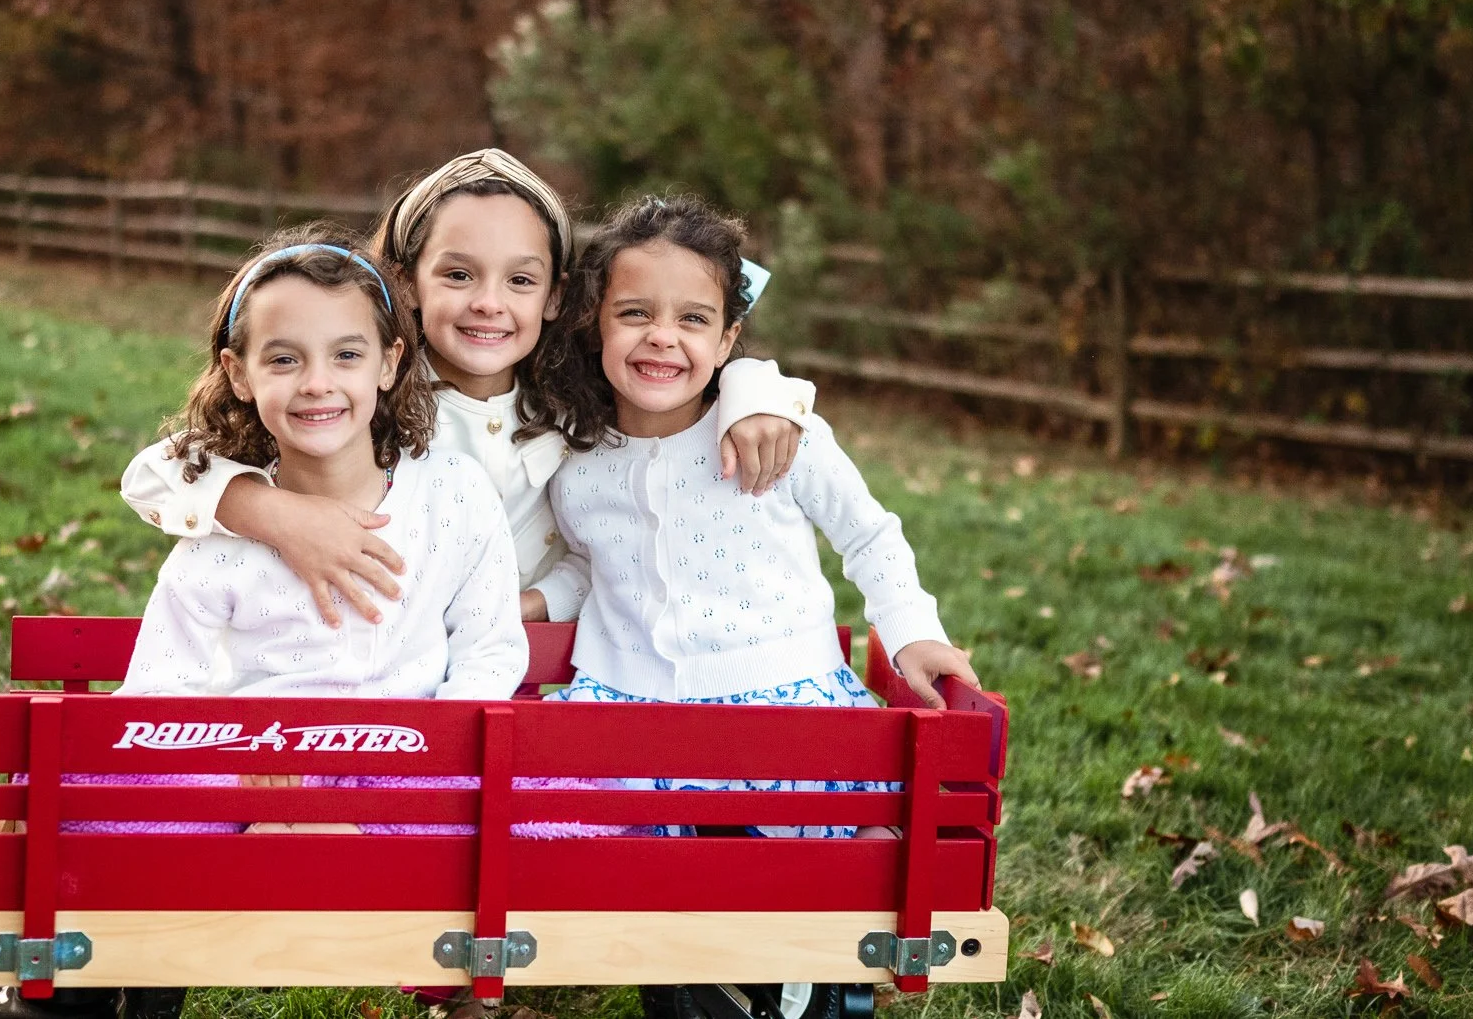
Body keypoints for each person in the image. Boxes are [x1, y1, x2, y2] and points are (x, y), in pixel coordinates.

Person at [119, 148, 821, 628]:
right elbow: (156, 475)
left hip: (531, 677)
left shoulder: (578, 405)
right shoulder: (362, 395)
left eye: (520, 279)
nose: (489, 302)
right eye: (457, 275)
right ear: (407, 280)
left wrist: (754, 386)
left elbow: (687, 365)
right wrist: (278, 515)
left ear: (555, 296)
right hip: (371, 664)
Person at [103, 229, 621, 841]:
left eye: (346, 355)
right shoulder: (222, 532)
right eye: (284, 359)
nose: (317, 383)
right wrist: (238, 752)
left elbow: (489, 648)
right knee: (118, 812)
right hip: (261, 766)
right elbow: (161, 691)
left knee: (574, 814)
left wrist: (433, 753)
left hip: (414, 764)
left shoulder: (452, 494)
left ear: (389, 363)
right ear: (238, 375)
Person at [533, 196, 981, 838]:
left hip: (784, 699)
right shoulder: (578, 459)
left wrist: (910, 630)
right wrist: (535, 601)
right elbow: (594, 563)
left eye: (693, 318)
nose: (663, 335)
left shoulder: (776, 435)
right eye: (634, 314)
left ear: (726, 342)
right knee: (549, 837)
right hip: (625, 706)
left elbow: (869, 535)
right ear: (596, 325)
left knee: (864, 842)